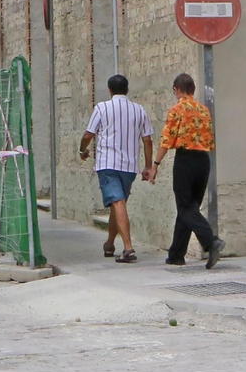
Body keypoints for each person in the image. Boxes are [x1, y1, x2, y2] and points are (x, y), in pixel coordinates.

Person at [149, 73, 223, 268]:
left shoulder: (177, 110)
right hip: (203, 161)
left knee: (185, 207)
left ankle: (211, 241)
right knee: (189, 208)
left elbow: (167, 139)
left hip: (186, 160)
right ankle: (176, 254)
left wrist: (155, 165)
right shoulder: (204, 110)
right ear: (193, 90)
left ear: (177, 90)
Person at [78, 74, 154, 263]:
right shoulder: (139, 110)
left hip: (108, 164)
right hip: (129, 166)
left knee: (117, 203)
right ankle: (110, 243)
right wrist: (148, 166)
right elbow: (147, 140)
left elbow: (89, 134)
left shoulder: (102, 108)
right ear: (127, 90)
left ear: (109, 90)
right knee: (117, 203)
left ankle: (128, 248)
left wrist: (82, 150)